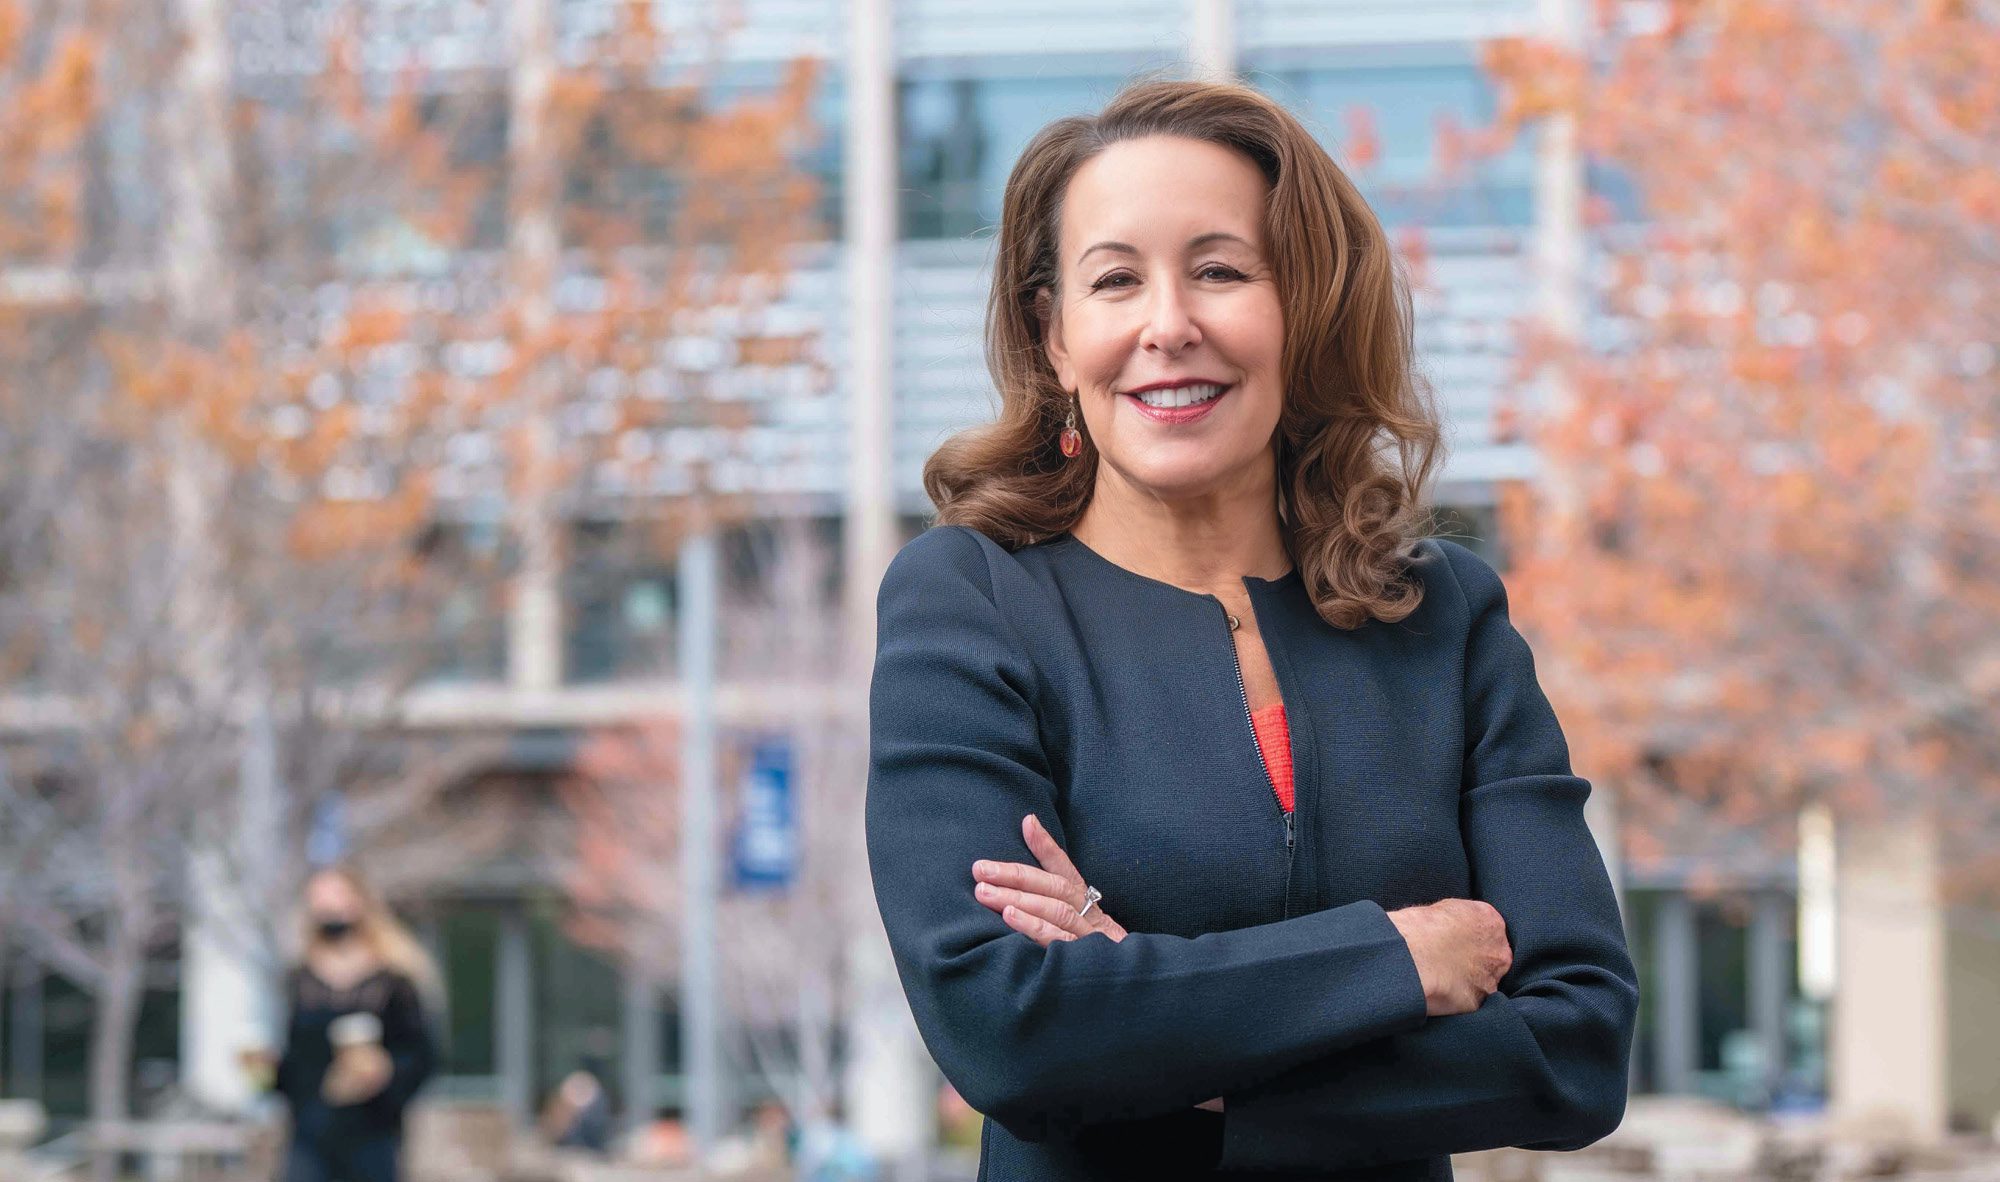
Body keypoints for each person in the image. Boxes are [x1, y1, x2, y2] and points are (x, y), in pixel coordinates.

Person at [864, 76, 1639, 1181]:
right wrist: (1394, 960)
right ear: (1052, 336)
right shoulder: (968, 602)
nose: (1166, 325)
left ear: (1306, 312)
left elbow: (1577, 1049)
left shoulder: (1446, 618)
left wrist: (1173, 1046)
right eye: (1115, 280)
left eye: (1220, 271)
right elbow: (1008, 1030)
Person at [245, 864, 440, 1182]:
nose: (327, 908)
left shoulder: (394, 980)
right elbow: (294, 1070)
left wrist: (383, 1071)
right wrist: (263, 1072)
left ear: (360, 901)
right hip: (309, 1137)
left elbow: (423, 1056)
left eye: (335, 896)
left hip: (372, 1134)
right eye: (318, 899)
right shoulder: (299, 979)